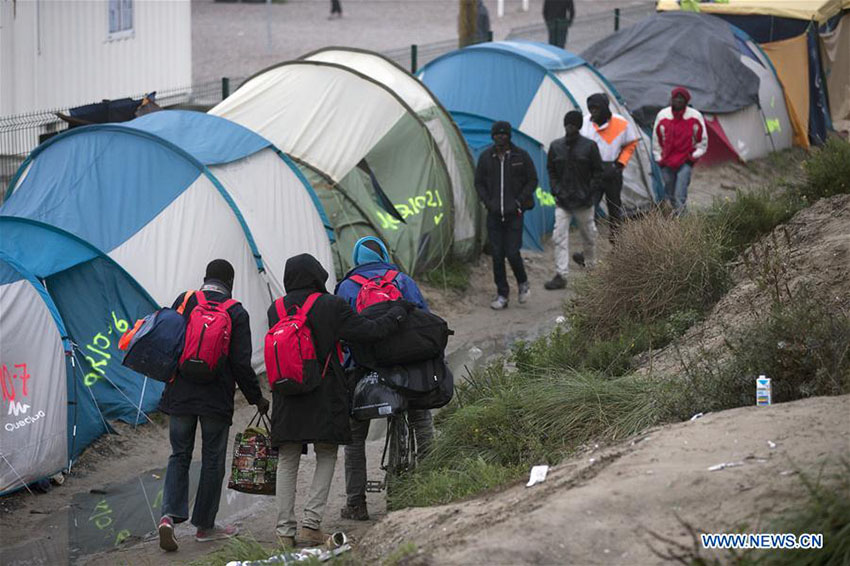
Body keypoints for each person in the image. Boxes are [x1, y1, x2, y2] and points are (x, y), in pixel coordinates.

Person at [269, 253, 409, 548]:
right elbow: (368, 332)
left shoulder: (275, 308)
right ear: (317, 275)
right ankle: (310, 524)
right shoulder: (330, 305)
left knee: (288, 457)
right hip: (323, 391)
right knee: (326, 452)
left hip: (285, 392)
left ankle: (284, 531)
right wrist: (396, 314)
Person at [158, 259, 270, 552]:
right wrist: (256, 398)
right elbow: (241, 364)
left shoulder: (186, 300)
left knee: (179, 454)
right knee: (212, 461)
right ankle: (205, 527)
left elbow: (169, 341)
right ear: (230, 283)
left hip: (181, 393)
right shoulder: (236, 311)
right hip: (215, 400)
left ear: (206, 277)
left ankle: (168, 517)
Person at [334, 237, 435, 521]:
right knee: (422, 421)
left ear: (358, 258)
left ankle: (356, 503)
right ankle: (431, 485)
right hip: (408, 366)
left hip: (363, 368)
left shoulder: (347, 286)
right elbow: (425, 317)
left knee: (354, 436)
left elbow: (341, 332)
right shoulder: (402, 280)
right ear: (384, 254)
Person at [474, 120, 537, 310]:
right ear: (492, 136)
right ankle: (502, 294)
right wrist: (488, 202)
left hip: (514, 214)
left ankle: (523, 282)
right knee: (497, 255)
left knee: (512, 252)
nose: (500, 137)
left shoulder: (521, 156)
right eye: (497, 134)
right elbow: (479, 183)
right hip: (494, 215)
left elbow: (532, 180)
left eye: (504, 134)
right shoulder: (486, 157)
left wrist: (519, 201)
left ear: (509, 136)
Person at [575, 93, 640, 259]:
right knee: (590, 210)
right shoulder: (585, 124)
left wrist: (619, 164)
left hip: (612, 171)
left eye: (596, 108)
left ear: (605, 108)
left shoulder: (621, 123)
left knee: (614, 209)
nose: (593, 112)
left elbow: (631, 143)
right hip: (592, 173)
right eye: (591, 109)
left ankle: (617, 247)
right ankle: (588, 252)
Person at [544, 111, 603, 290]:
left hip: (583, 201)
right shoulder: (556, 146)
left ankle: (591, 267)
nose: (570, 127)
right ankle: (561, 274)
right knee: (559, 236)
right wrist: (556, 190)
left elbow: (598, 172)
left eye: (573, 124)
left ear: (578, 126)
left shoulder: (589, 147)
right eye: (568, 124)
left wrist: (589, 192)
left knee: (589, 236)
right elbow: (551, 170)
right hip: (563, 201)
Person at [652, 87, 707, 215]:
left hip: (685, 161)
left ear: (686, 101)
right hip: (666, 161)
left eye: (681, 98)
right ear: (671, 99)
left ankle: (682, 221)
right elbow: (656, 139)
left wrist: (692, 158)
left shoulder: (695, 116)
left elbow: (702, 141)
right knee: (669, 191)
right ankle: (678, 215)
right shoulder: (663, 115)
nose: (678, 100)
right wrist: (659, 159)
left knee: (680, 192)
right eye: (675, 97)